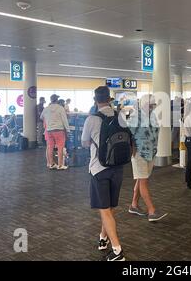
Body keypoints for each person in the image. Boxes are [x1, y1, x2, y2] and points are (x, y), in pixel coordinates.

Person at [82, 86, 126, 261]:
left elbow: (84, 143)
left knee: (104, 209)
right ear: (109, 99)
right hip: (118, 168)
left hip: (99, 169)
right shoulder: (119, 116)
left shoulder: (91, 119)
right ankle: (103, 238)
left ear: (95, 101)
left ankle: (117, 251)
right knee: (108, 208)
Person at [128, 94, 168, 222]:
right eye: (150, 105)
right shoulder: (135, 117)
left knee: (141, 180)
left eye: (153, 105)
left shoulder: (153, 116)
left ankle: (134, 205)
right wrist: (132, 152)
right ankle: (152, 211)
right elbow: (129, 135)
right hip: (139, 152)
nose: (152, 107)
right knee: (143, 181)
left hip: (151, 152)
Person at [40, 94, 70, 170]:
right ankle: (60, 165)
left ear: (50, 100)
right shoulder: (60, 108)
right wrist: (67, 130)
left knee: (50, 147)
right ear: (57, 100)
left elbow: (41, 117)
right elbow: (64, 120)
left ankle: (51, 164)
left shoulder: (46, 109)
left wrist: (49, 119)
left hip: (49, 130)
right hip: (59, 130)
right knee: (60, 147)